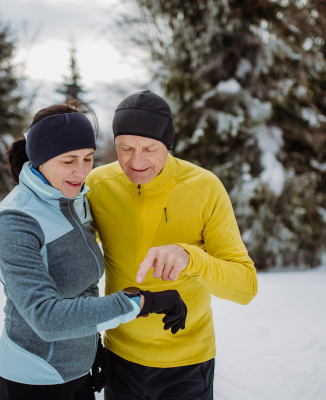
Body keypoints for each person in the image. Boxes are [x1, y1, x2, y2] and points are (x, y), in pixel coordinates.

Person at [0, 99, 188, 400]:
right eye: (68, 161)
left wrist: (93, 348)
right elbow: (46, 317)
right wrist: (142, 302)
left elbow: (83, 289)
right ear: (41, 158)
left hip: (78, 375)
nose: (81, 172)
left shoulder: (74, 200)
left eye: (88, 158)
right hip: (31, 381)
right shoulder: (16, 219)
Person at [85, 91, 258, 400]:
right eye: (125, 148)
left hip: (187, 365)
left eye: (150, 148)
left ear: (168, 144)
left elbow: (245, 288)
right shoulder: (97, 186)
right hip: (119, 359)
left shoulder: (204, 188)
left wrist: (191, 257)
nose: (136, 161)